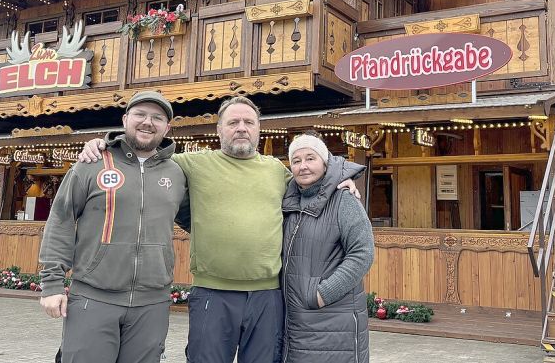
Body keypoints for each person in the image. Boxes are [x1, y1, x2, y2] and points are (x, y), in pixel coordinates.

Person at [78, 96, 359, 363]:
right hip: (212, 292)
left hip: (267, 296)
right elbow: (142, 156)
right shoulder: (190, 164)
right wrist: (103, 144)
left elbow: (312, 179)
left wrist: (341, 181)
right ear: (219, 129)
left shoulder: (276, 170)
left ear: (258, 129)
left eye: (248, 123)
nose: (241, 128)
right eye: (233, 122)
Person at [39, 91, 189, 363]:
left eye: (157, 118)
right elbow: (61, 219)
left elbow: (200, 221)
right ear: (125, 119)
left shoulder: (176, 173)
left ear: (167, 128)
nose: (148, 122)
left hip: (152, 302)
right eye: (140, 114)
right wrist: (52, 285)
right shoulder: (91, 164)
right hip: (93, 296)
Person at [281, 133, 373, 363]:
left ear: (325, 162)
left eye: (310, 158)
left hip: (331, 319)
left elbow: (362, 253)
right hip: (295, 322)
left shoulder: (344, 199)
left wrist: (322, 294)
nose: (303, 166)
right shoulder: (288, 201)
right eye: (296, 160)